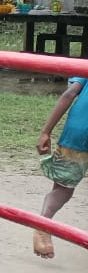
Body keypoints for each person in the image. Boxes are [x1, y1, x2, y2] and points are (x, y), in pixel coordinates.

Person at [34, 75, 88, 258]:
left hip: (78, 131)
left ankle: (43, 224)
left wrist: (45, 132)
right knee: (63, 187)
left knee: (63, 188)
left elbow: (70, 93)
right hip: (80, 132)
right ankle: (43, 226)